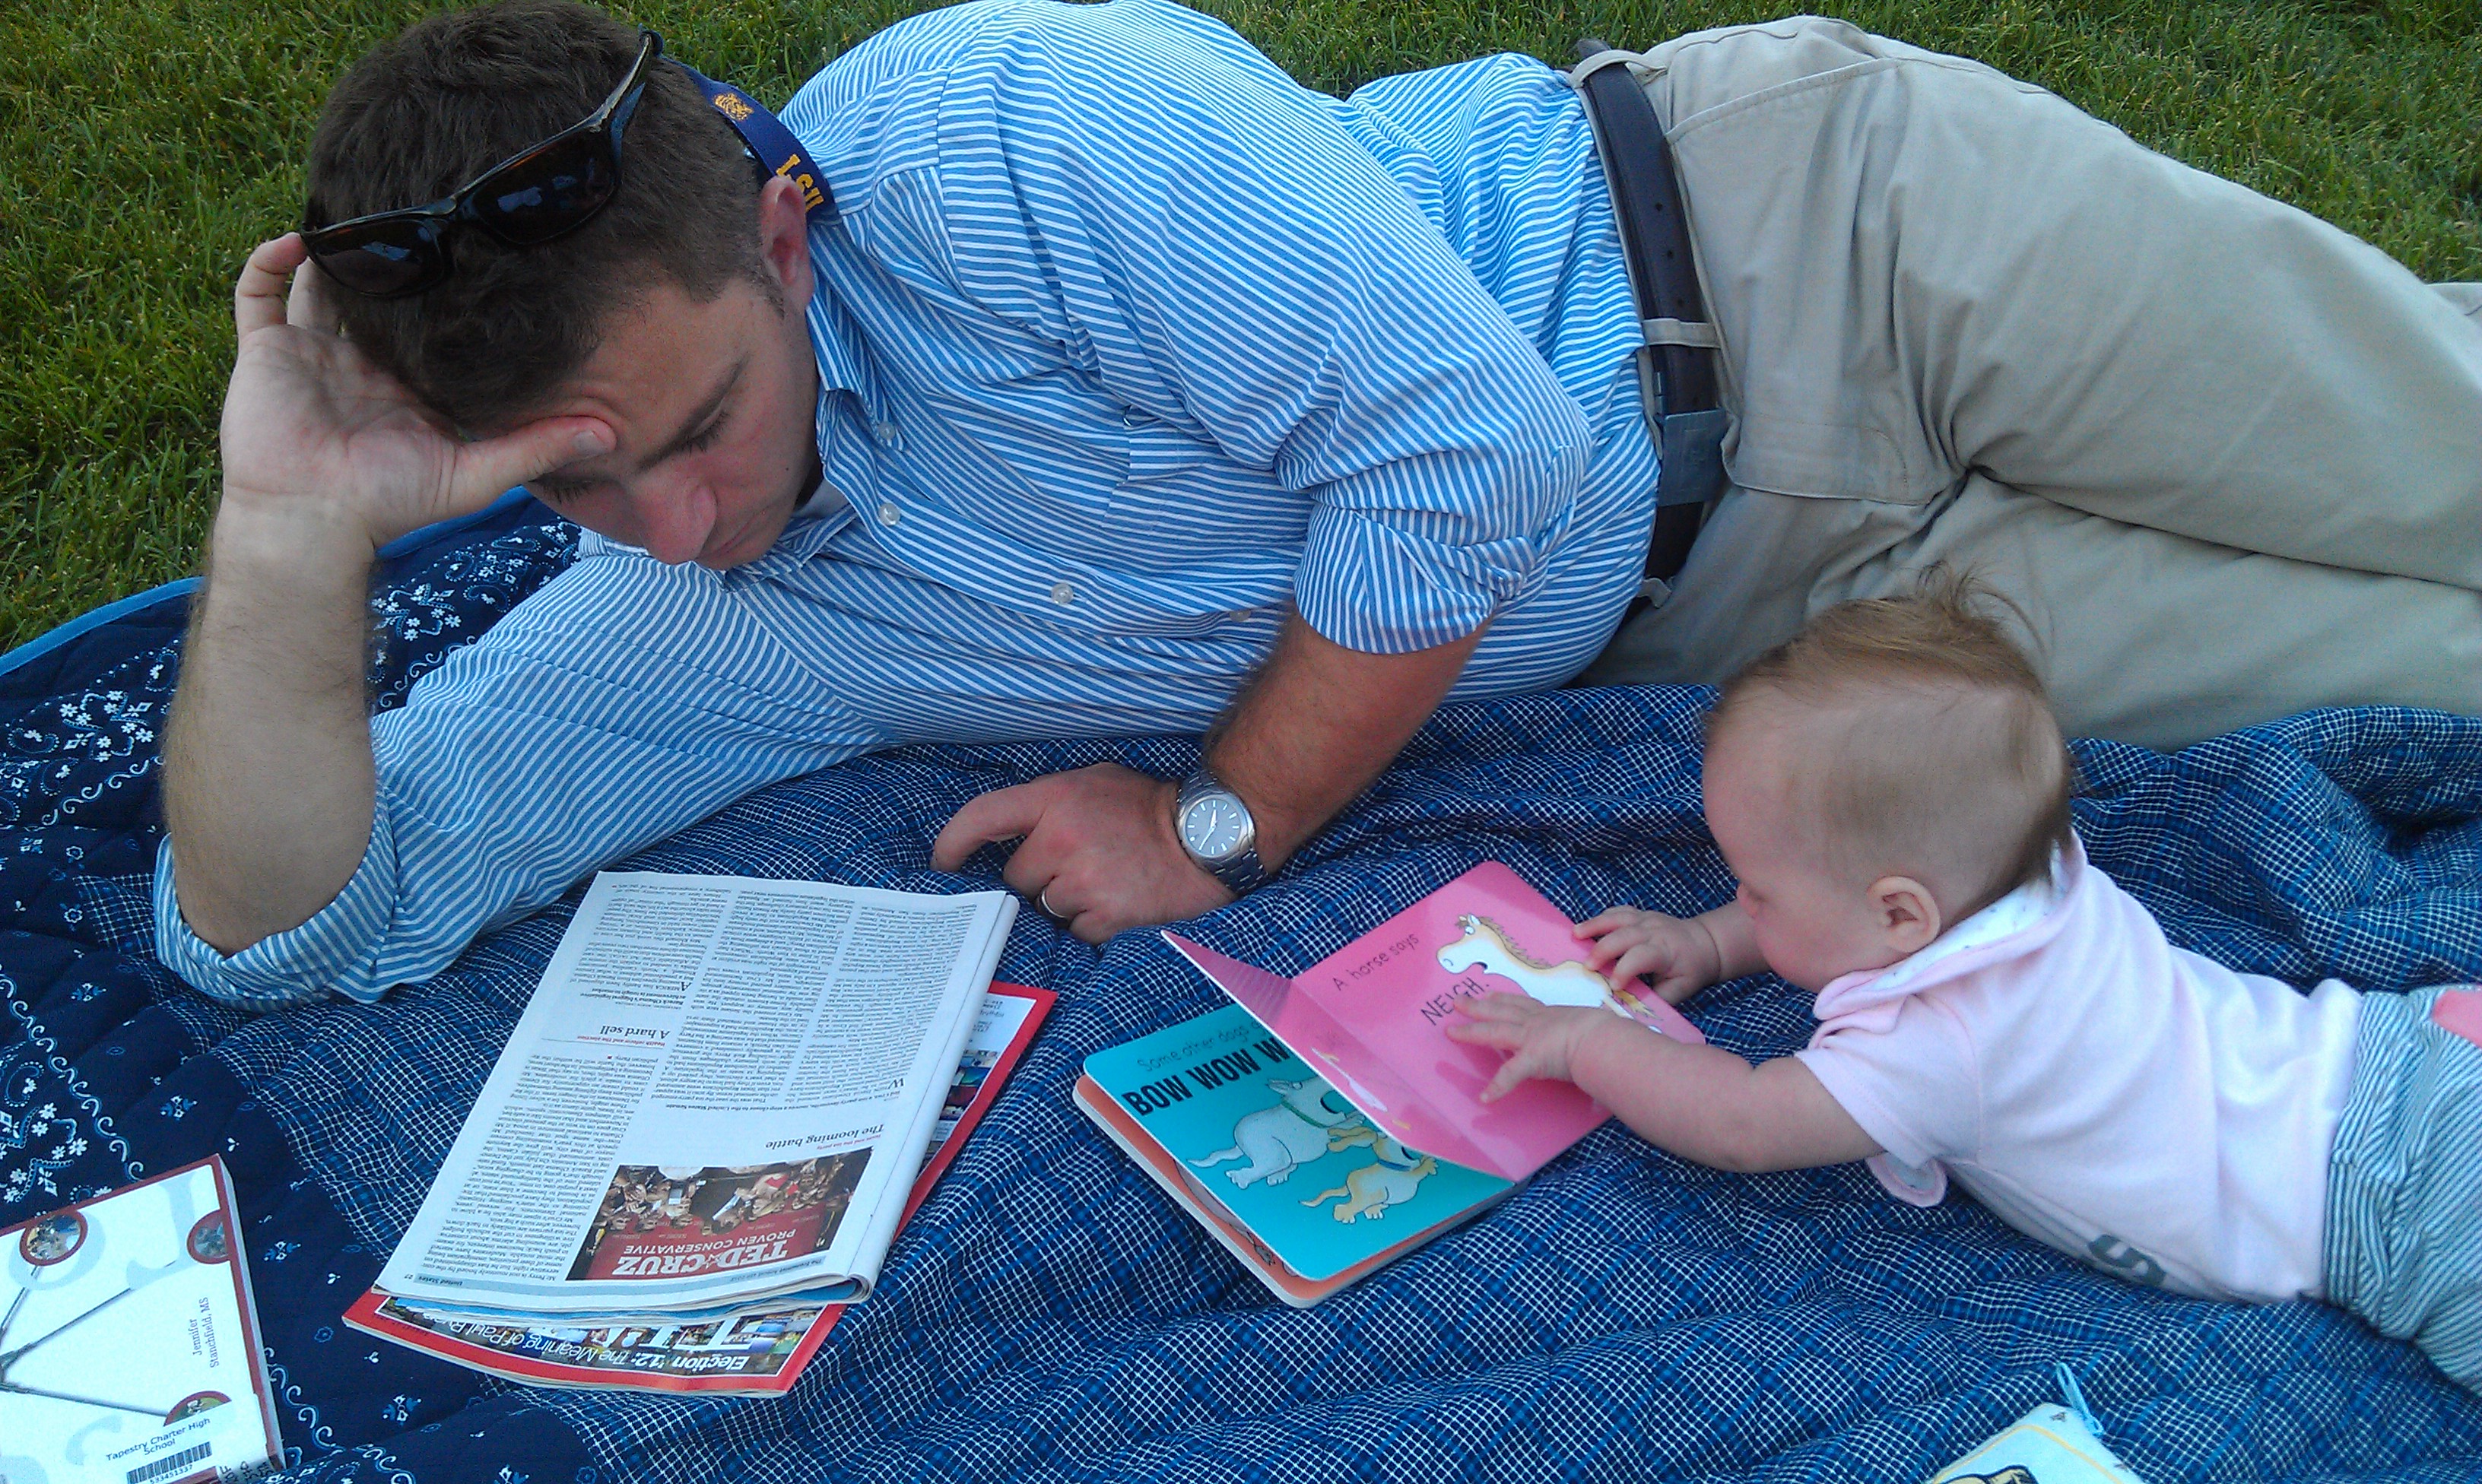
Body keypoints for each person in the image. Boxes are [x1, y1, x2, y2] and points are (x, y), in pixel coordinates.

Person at [156, 0, 2482, 1009]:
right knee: (2439, 671)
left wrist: (1220, 824)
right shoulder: (686, 602)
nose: (674, 527)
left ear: (781, 228)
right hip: (1784, 632)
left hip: (1824, 249)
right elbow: (288, 936)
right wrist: (283, 530)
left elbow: (1473, 459)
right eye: (572, 488)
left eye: (694, 429)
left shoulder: (1007, 128)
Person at [1447, 582, 2482, 1393]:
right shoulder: (2034, 866)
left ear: (1903, 917)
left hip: (2391, 1207)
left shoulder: (1939, 1041)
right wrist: (1711, 945)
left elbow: (1742, 1123)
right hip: (2396, 1048)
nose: (1738, 901)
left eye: (1754, 891)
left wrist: (1590, 1043)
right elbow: (1843, 913)